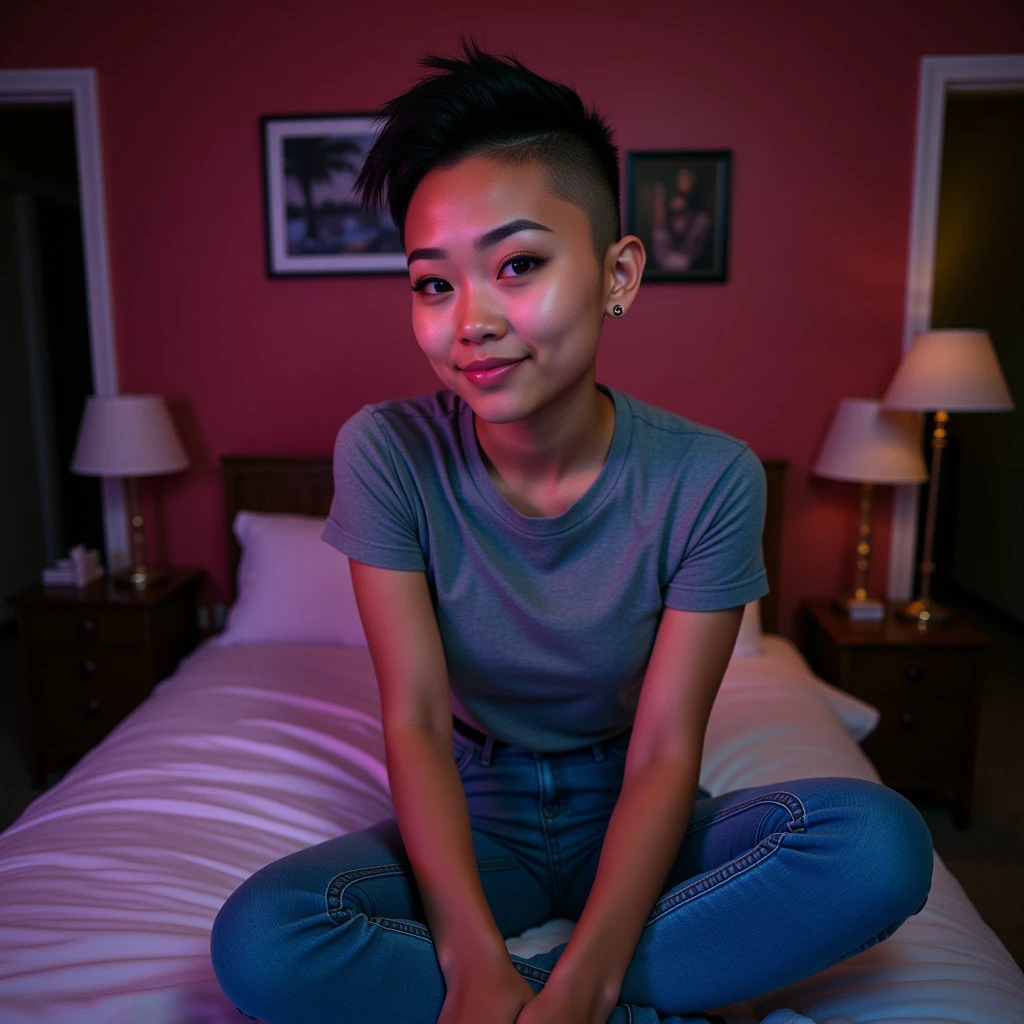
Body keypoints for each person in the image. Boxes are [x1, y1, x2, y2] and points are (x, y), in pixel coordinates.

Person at [209, 35, 934, 1024]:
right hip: (477, 812)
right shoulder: (384, 452)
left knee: (879, 847)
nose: (469, 319)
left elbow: (669, 746)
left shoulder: (707, 475)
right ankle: (620, 998)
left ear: (616, 272)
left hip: (634, 799)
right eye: (432, 282)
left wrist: (585, 979)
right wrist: (468, 955)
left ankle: (582, 996)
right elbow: (415, 717)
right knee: (262, 941)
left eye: (516, 264)